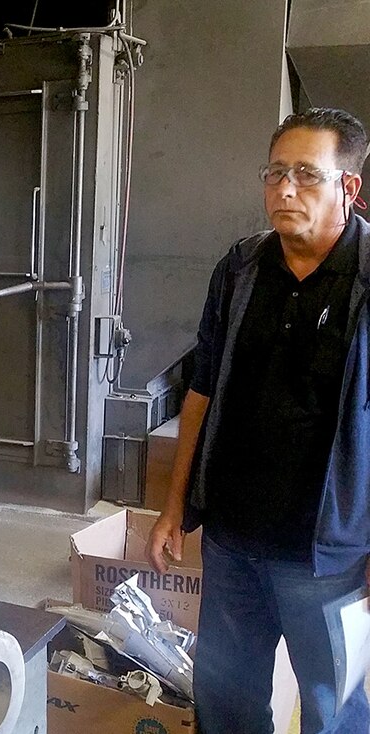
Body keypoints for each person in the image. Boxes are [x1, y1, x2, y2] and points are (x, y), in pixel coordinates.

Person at [146, 107, 370, 734]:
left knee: (334, 710)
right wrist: (174, 508)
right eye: (274, 173)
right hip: (233, 540)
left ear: (347, 188)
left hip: (327, 555)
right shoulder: (240, 269)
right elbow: (202, 392)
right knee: (226, 704)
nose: (284, 190)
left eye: (305, 174)